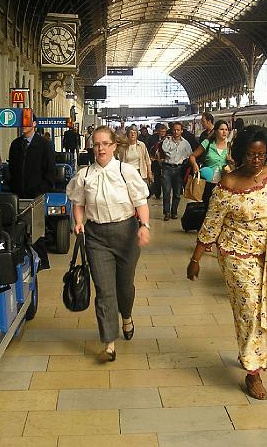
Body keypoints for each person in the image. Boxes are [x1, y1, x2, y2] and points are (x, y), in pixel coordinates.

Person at [186, 125, 267, 401]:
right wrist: (195, 259)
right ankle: (253, 373)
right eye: (251, 155)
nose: (256, 161)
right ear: (240, 154)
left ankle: (252, 353)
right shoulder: (227, 186)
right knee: (250, 312)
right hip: (237, 256)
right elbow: (211, 225)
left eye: (261, 155)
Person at [66, 126, 151, 362]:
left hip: (126, 235)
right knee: (104, 291)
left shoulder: (126, 172)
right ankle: (109, 343)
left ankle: (127, 315)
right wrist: (79, 222)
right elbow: (79, 203)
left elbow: (140, 202)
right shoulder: (85, 175)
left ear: (114, 146)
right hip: (96, 237)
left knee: (124, 286)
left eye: (105, 143)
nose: (100, 148)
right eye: (96, 144)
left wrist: (144, 226)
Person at [7, 117, 56, 198]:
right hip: (18, 195)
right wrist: (13, 186)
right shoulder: (15, 144)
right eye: (22, 122)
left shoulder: (44, 145)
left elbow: (50, 171)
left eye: (27, 122)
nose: (24, 125)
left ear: (34, 123)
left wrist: (40, 190)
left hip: (37, 196)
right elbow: (11, 168)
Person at [188, 119, 232, 205]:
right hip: (208, 182)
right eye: (221, 129)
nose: (224, 132)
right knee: (207, 206)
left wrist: (231, 161)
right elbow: (192, 156)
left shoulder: (230, 146)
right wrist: (194, 165)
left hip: (223, 183)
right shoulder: (207, 143)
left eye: (226, 130)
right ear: (215, 131)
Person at [160, 121, 193, 221]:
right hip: (167, 168)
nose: (176, 132)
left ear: (182, 131)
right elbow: (166, 150)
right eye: (174, 130)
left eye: (178, 130)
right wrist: (175, 145)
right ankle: (167, 212)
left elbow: (189, 154)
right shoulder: (167, 141)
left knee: (177, 193)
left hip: (179, 169)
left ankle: (174, 212)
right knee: (166, 191)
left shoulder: (186, 143)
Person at [147, 123, 167, 199]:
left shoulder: (168, 139)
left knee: (165, 179)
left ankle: (164, 192)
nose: (162, 133)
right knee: (157, 177)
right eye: (161, 131)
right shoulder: (153, 138)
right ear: (158, 131)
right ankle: (157, 193)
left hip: (165, 161)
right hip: (156, 162)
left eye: (164, 132)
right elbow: (149, 148)